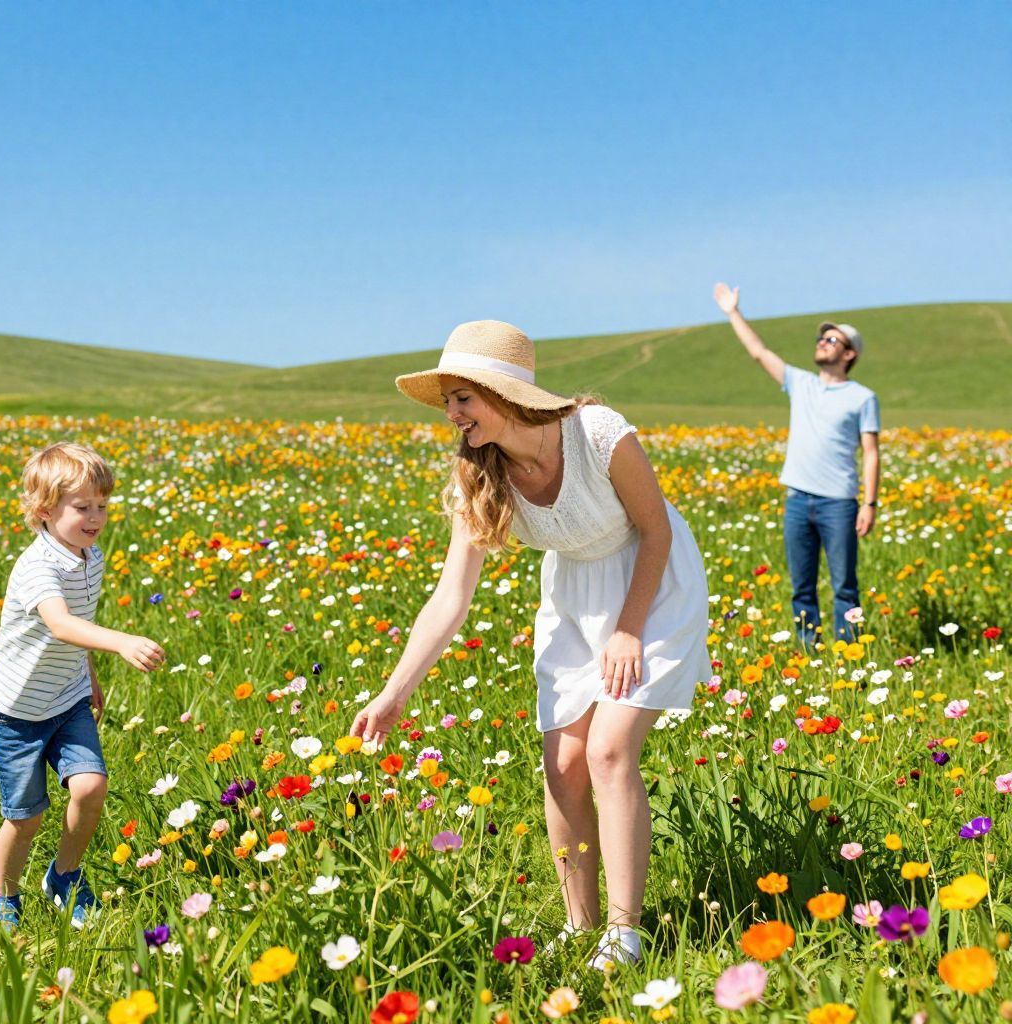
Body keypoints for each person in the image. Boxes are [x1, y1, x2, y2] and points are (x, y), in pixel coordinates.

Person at [348, 321, 710, 969]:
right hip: (573, 596)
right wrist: (394, 691)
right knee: (563, 767)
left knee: (606, 751)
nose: (453, 414)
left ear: (505, 391)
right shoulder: (477, 474)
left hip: (652, 585)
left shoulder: (598, 433)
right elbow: (449, 598)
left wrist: (629, 628)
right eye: (449, 401)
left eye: (464, 397)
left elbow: (654, 531)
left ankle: (624, 935)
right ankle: (581, 928)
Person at [0, 442, 165, 930]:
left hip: (66, 698)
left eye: (102, 506)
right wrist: (121, 642)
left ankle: (64, 875)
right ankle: (3, 894)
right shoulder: (38, 566)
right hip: (16, 712)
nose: (96, 516)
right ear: (44, 511)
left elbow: (80, 624)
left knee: (91, 785)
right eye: (82, 507)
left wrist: (89, 676)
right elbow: (61, 623)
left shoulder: (90, 555)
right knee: (25, 818)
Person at [713, 284, 880, 647]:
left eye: (832, 340)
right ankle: (811, 651)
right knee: (801, 587)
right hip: (798, 500)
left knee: (844, 588)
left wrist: (869, 503)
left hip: (839, 503)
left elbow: (870, 452)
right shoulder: (801, 383)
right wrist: (732, 312)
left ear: (849, 353)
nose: (822, 342)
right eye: (822, 338)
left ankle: (850, 653)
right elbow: (759, 352)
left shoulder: (863, 398)